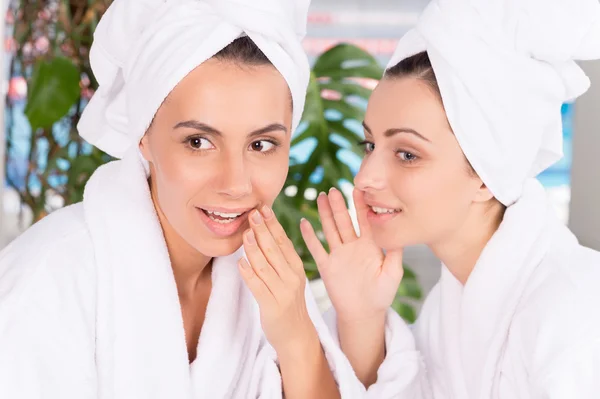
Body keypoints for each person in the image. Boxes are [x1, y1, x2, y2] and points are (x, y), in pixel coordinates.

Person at [0, 0, 367, 397]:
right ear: (144, 136)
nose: (236, 183)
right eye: (199, 141)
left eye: (262, 144)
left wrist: (297, 338)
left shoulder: (266, 280)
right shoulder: (49, 280)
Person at [301, 0, 600, 397]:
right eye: (369, 144)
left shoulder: (575, 312)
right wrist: (362, 316)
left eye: (407, 154)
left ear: (487, 176)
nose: (365, 176)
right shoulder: (449, 308)